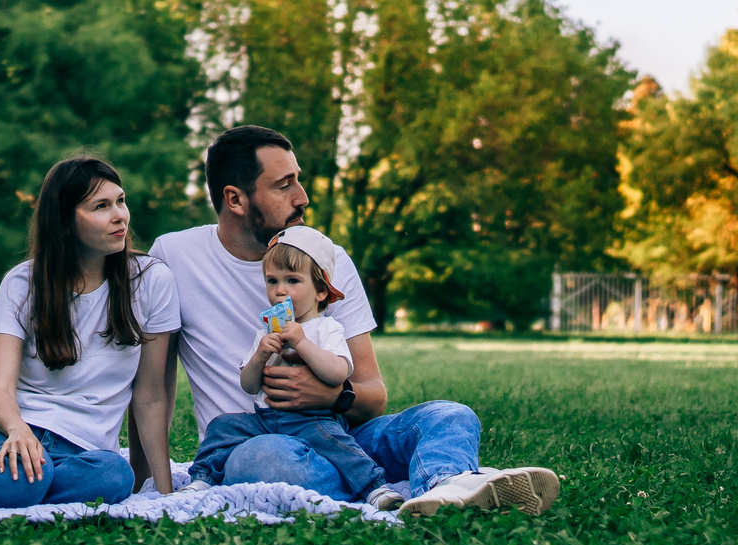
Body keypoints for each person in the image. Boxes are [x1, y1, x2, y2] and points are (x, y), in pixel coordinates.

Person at [151, 126, 560, 517]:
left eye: (299, 181)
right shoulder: (175, 256)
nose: (303, 197)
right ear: (235, 200)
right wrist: (143, 478)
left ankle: (445, 486)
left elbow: (373, 395)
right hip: (254, 442)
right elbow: (152, 386)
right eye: (284, 185)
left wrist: (331, 396)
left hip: (339, 437)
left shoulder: (328, 262)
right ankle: (396, 489)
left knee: (450, 415)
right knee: (266, 462)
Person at [0, 155, 179, 508]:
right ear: (64, 221)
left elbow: (150, 395)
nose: (119, 215)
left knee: (114, 476)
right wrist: (18, 431)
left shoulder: (151, 281)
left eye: (121, 201)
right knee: (31, 476)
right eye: (101, 206)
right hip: (3, 427)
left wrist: (164, 495)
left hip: (83, 450)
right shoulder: (22, 283)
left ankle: (13, 485)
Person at [184, 237, 392, 504]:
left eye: (292, 281)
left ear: (320, 291)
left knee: (340, 445)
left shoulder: (327, 328)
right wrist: (260, 356)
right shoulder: (266, 331)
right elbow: (248, 385)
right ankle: (202, 478)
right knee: (223, 426)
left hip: (311, 419)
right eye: (272, 281)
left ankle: (375, 487)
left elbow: (338, 373)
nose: (280, 290)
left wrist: (302, 343)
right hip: (264, 419)